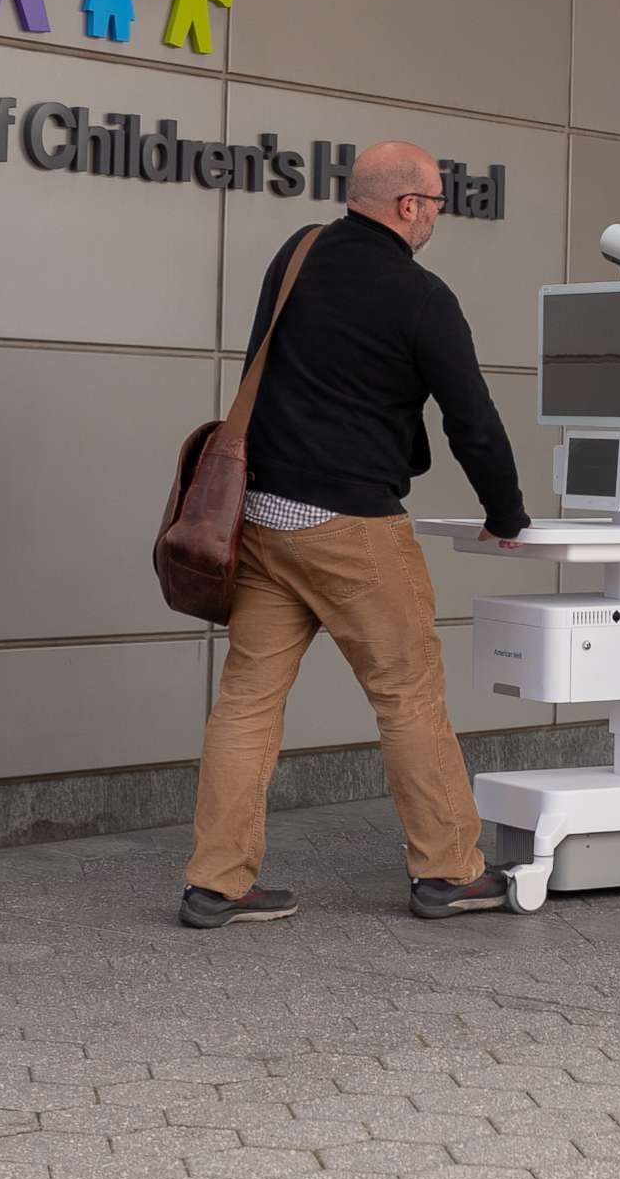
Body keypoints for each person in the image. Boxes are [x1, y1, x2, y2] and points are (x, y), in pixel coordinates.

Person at [181, 142, 529, 927]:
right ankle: (448, 871)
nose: (438, 214)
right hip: (351, 527)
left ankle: (217, 883)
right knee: (408, 696)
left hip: (265, 517)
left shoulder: (297, 253)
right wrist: (506, 514)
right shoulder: (422, 297)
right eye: (437, 201)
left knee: (245, 705)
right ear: (408, 206)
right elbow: (472, 421)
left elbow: (264, 370)